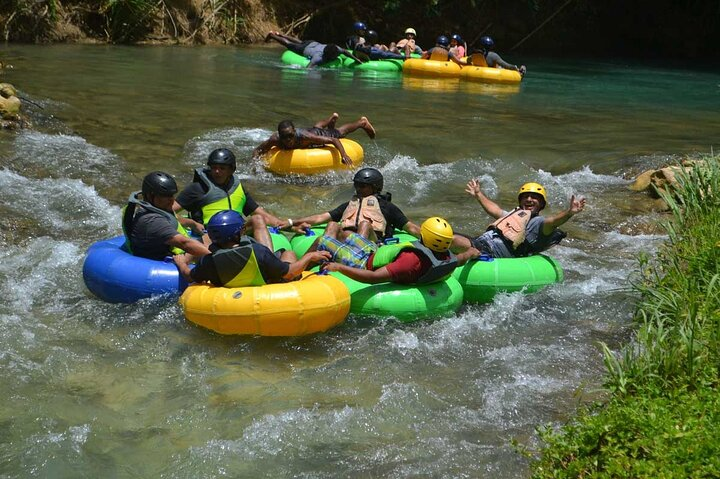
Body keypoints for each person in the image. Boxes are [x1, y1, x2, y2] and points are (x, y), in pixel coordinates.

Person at [174, 210, 330, 287]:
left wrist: (181, 263)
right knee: (288, 253)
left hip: (233, 293)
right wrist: (309, 257)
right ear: (238, 233)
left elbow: (190, 276)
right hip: (269, 286)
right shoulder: (257, 251)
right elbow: (289, 273)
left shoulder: (208, 261)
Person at [317, 217, 480, 285]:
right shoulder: (446, 257)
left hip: (362, 263)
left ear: (424, 237)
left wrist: (338, 267)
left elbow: (373, 278)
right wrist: (471, 253)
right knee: (355, 229)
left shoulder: (410, 260)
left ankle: (299, 267)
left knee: (326, 235)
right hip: (375, 251)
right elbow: (461, 258)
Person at [283, 167, 420, 243]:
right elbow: (320, 218)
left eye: (363, 186)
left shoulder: (386, 207)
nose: (358, 189)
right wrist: (291, 222)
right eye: (356, 185)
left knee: (364, 225)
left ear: (375, 187)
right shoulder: (349, 205)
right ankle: (323, 255)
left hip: (370, 242)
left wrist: (434, 241)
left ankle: (356, 256)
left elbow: (411, 228)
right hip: (345, 239)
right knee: (332, 225)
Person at [454, 180, 586, 258]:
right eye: (525, 197)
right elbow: (494, 209)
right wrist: (478, 194)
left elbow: (553, 221)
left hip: (490, 252)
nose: (529, 199)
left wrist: (569, 212)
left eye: (534, 197)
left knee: (450, 240)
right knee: (445, 233)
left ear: (541, 204)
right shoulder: (516, 215)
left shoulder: (539, 223)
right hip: (481, 242)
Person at [173, 148, 285, 235]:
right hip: (211, 235)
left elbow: (261, 214)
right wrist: (190, 223)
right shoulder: (198, 188)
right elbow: (166, 211)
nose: (217, 172)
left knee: (258, 219)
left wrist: (289, 225)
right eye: (214, 167)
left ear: (231, 170)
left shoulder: (237, 188)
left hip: (238, 234)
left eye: (222, 168)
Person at [122, 171, 210, 260]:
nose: (172, 199)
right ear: (150, 196)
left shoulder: (150, 209)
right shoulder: (152, 221)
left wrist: (192, 224)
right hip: (158, 262)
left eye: (172, 195)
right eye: (165, 195)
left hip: (165, 248)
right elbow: (184, 243)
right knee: (209, 243)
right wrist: (216, 259)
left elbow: (173, 218)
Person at [252, 113, 376, 166]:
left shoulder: (305, 138)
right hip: (311, 131)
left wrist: (343, 154)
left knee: (339, 133)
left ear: (294, 132)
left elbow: (334, 141)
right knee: (315, 127)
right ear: (279, 135)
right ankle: (330, 119)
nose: (288, 140)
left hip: (315, 134)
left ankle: (362, 123)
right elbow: (258, 150)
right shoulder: (275, 140)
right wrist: (255, 165)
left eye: (290, 136)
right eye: (284, 137)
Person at [265, 31, 363, 68]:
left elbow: (345, 52)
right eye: (334, 56)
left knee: (299, 41)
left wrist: (356, 59)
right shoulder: (319, 57)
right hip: (305, 48)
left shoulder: (336, 49)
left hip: (313, 43)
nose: (336, 56)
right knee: (289, 44)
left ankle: (280, 34)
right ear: (328, 55)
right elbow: (309, 67)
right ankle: (273, 36)